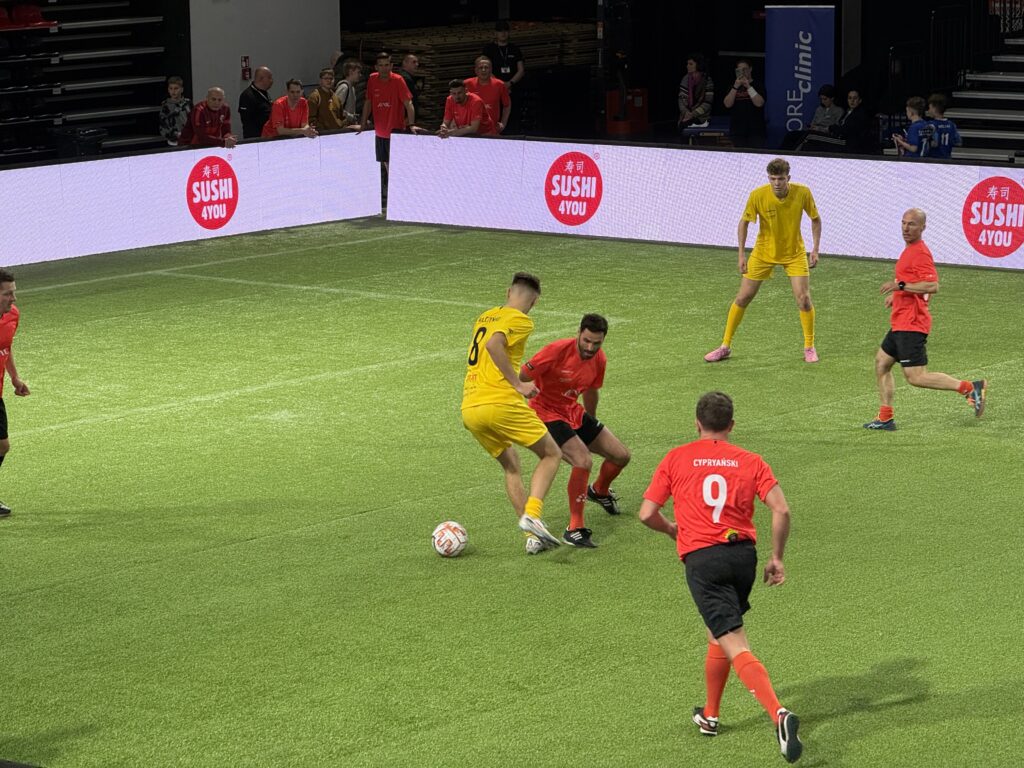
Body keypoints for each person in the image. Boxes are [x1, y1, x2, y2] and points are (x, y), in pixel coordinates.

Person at [637, 391, 802, 764]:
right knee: (719, 632)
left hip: (703, 561)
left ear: (697, 423)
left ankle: (778, 714)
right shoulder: (751, 460)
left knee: (735, 642)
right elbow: (781, 510)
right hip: (742, 557)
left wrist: (671, 530)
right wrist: (777, 557)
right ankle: (710, 715)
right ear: (732, 425)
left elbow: (646, 513)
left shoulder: (676, 458)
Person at [461, 273, 563, 550]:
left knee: (511, 466)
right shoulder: (521, 320)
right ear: (535, 301)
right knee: (552, 454)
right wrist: (518, 384)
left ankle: (532, 538)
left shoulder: (485, 316)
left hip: (470, 407)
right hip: (500, 403)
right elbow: (494, 345)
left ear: (508, 292)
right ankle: (533, 515)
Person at [864, 209, 987, 430]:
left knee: (916, 377)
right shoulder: (909, 250)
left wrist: (900, 286)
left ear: (922, 227)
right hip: (901, 321)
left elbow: (932, 285)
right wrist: (897, 295)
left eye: (911, 224)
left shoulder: (920, 253)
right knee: (882, 362)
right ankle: (885, 417)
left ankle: (970, 388)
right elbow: (913, 282)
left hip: (911, 324)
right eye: (903, 223)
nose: (905, 228)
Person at [518, 314, 631, 549]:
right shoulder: (556, 351)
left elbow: (591, 390)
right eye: (586, 341)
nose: (590, 348)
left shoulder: (599, 359)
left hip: (572, 411)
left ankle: (599, 491)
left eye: (596, 343)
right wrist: (527, 389)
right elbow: (523, 375)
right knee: (583, 460)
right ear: (578, 333)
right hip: (546, 413)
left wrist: (592, 423)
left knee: (621, 456)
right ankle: (575, 529)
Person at [705, 157, 822, 364]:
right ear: (768, 178)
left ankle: (809, 347)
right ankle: (725, 346)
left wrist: (815, 249)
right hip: (763, 253)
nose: (776, 183)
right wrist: (741, 254)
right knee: (743, 298)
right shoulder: (758, 195)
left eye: (781, 179)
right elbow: (743, 223)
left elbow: (816, 219)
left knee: (803, 299)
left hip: (794, 253)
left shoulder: (803, 192)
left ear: (788, 178)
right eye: (772, 179)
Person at [0, 269, 30, 518]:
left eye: (14, 292)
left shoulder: (12, 315)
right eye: (8, 294)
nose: (13, 298)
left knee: (2, 446)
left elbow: (6, 348)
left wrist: (15, 377)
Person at [360, 52, 415, 174]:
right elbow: (368, 102)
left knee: (396, 167)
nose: (384, 68)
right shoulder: (372, 79)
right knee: (385, 164)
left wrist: (411, 125)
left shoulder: (398, 80)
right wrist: (362, 124)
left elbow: (409, 104)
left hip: (396, 132)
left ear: (391, 66)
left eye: (386, 65)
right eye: (381, 65)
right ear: (376, 67)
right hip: (380, 132)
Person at [483, 20, 525, 131]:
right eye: (500, 31)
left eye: (505, 31)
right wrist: (500, 85)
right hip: (494, 88)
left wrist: (510, 83)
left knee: (513, 115)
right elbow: (485, 69)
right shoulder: (489, 49)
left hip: (512, 88)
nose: (503, 33)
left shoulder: (515, 49)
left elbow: (521, 70)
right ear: (495, 33)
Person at [723, 59, 765, 148]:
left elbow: (759, 103)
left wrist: (748, 86)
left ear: (750, 69)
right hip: (737, 131)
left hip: (755, 131)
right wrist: (735, 86)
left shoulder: (758, 85)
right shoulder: (732, 86)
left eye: (745, 69)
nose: (742, 72)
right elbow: (727, 104)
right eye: (739, 70)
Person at [465, 56, 510, 135]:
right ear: (476, 70)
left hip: (492, 131)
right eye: (480, 68)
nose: (483, 70)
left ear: (491, 70)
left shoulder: (499, 85)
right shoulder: (466, 84)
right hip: (470, 132)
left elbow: (507, 105)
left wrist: (503, 123)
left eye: (486, 67)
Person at [677, 53, 714, 129]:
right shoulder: (685, 79)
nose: (687, 66)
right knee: (682, 125)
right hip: (686, 114)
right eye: (687, 64)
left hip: (701, 116)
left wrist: (693, 114)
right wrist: (686, 112)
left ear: (698, 65)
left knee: (686, 125)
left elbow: (708, 103)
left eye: (691, 64)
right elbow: (681, 99)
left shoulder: (707, 80)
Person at [238, 66, 274, 139]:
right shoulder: (247, 95)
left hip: (268, 135)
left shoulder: (265, 93)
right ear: (261, 79)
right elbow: (247, 120)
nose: (272, 81)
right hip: (255, 138)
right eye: (269, 78)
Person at [926, 93, 961, 159]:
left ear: (934, 109)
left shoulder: (931, 125)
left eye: (929, 108)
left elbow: (934, 144)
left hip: (934, 159)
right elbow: (958, 142)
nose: (928, 110)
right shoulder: (951, 124)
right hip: (947, 158)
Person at [158, 75, 191, 146]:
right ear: (168, 90)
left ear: (182, 89)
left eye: (176, 88)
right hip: (173, 142)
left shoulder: (188, 103)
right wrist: (174, 135)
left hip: (188, 139)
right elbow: (163, 125)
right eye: (171, 88)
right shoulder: (165, 106)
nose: (173, 91)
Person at [335, 59, 362, 125]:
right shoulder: (344, 87)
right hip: (342, 126)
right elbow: (336, 108)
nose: (360, 75)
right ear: (351, 72)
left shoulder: (352, 88)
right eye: (358, 72)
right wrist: (351, 117)